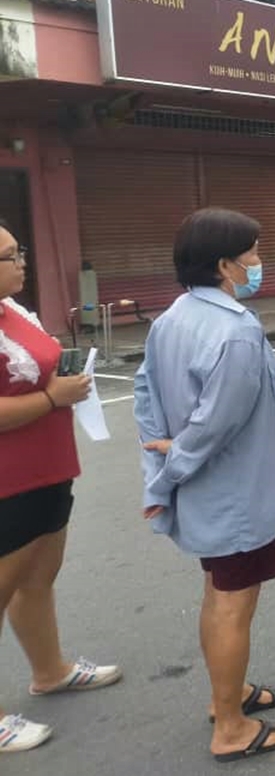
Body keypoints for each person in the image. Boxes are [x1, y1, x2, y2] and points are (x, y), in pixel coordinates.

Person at [134, 208, 275, 762]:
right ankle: (231, 728)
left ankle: (228, 695)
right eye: (253, 254)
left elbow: (145, 401)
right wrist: (176, 463)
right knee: (233, 604)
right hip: (236, 493)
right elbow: (219, 422)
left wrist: (162, 471)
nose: (259, 264)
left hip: (210, 493)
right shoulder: (234, 330)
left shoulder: (171, 318)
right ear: (224, 265)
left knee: (219, 595)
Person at [0, 223, 122, 754]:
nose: (21, 261)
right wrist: (54, 398)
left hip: (50, 468)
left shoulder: (13, 312)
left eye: (18, 251)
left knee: (38, 577)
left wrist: (64, 389)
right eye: (9, 255)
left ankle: (50, 671)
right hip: (7, 480)